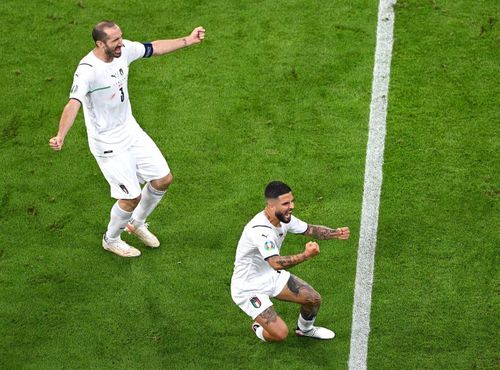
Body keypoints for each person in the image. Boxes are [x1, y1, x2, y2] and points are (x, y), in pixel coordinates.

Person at [49, 21, 205, 257]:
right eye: (114, 40)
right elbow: (73, 103)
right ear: (100, 44)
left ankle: (136, 223)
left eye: (121, 37)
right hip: (108, 144)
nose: (120, 43)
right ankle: (111, 239)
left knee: (163, 179)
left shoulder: (123, 51)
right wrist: (61, 135)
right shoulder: (88, 70)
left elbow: (153, 47)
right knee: (130, 196)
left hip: (131, 131)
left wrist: (188, 40)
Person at [230, 181, 350, 342]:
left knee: (313, 299)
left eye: (292, 201)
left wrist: (334, 233)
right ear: (270, 206)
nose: (291, 206)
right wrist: (305, 255)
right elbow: (275, 262)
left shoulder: (284, 219)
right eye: (286, 203)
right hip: (248, 287)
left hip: (271, 276)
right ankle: (258, 329)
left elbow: (310, 229)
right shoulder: (260, 230)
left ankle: (305, 330)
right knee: (280, 334)